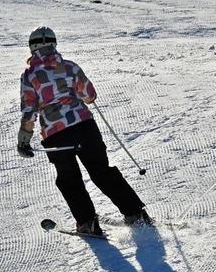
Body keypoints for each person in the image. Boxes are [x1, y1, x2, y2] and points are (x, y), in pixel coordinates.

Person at [16, 26, 152, 235]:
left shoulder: (30, 75)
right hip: (84, 126)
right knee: (101, 171)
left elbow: (29, 110)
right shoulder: (70, 67)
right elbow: (89, 94)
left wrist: (24, 140)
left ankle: (87, 222)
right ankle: (135, 213)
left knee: (69, 179)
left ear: (32, 47)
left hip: (56, 134)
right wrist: (79, 96)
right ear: (54, 44)